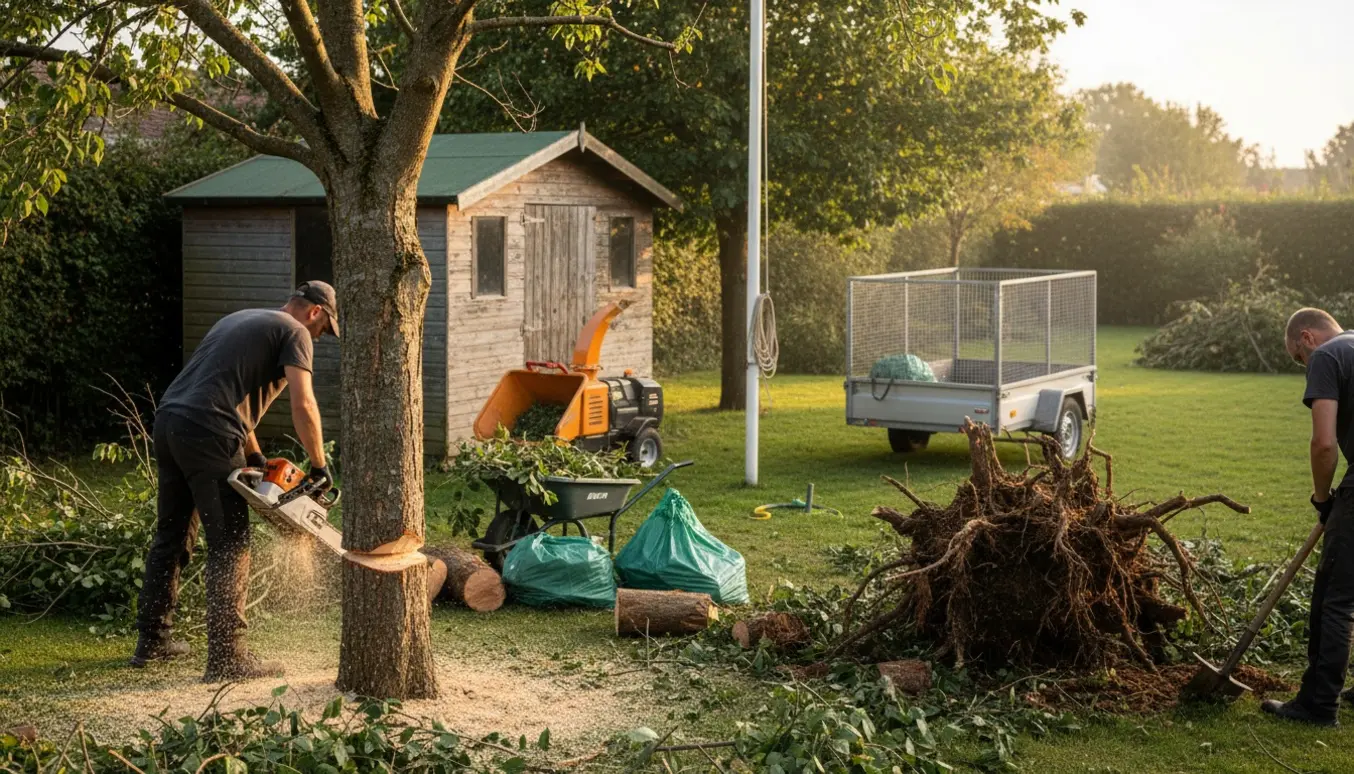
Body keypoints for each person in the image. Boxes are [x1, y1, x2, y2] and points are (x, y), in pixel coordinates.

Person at [130, 281, 340, 681]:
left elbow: (227, 395)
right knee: (231, 543)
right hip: (209, 431)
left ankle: (152, 640)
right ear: (314, 312)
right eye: (323, 329)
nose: (320, 337)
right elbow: (304, 402)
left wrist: (256, 456)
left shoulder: (240, 320)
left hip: (170, 423)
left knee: (172, 536)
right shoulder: (296, 332)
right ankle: (229, 657)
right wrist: (319, 465)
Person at [1263, 307, 1354, 726]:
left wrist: (1323, 499)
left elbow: (1323, 443)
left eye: (1296, 358)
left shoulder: (1326, 356)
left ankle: (1318, 705)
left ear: (1306, 338)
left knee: (1333, 598)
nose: (1303, 365)